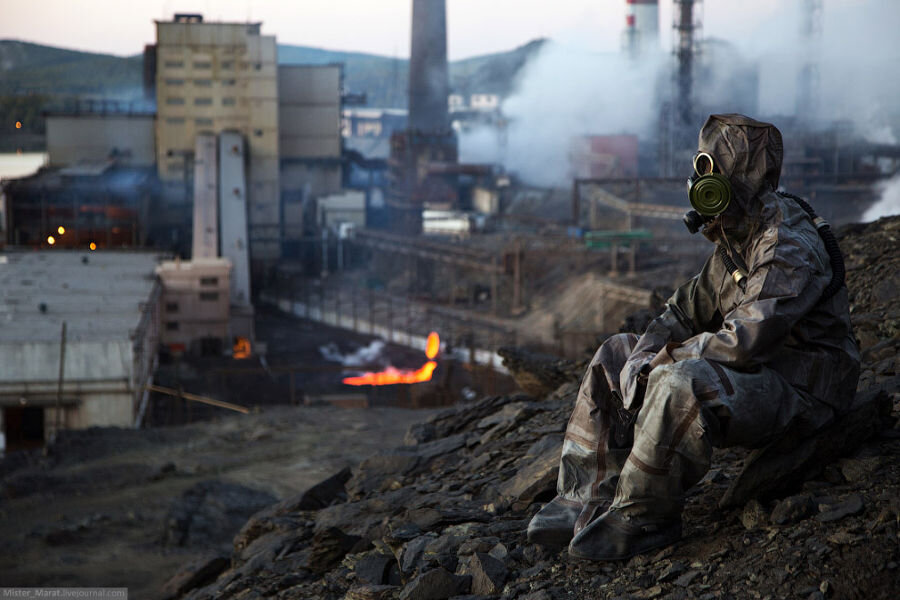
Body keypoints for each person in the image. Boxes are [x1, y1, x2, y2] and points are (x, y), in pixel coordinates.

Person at [526, 114, 860, 561]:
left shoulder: (786, 245)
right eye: (701, 171)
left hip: (806, 390)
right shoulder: (737, 237)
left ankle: (644, 516)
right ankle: (581, 495)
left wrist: (664, 361)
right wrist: (642, 356)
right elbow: (684, 311)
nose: (702, 185)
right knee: (614, 356)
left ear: (737, 181)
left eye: (714, 173)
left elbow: (746, 339)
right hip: (762, 376)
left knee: (681, 381)